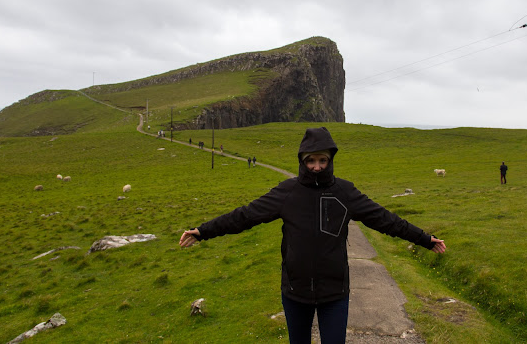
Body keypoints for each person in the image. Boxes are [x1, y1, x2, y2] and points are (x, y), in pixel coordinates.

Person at [179, 127, 446, 344]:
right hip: (295, 292)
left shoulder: (345, 192)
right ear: (302, 161)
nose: (316, 166)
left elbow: (385, 219)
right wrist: (203, 231)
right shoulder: (287, 192)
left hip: (335, 293)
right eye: (310, 160)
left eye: (322, 160)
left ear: (330, 160)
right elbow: (245, 215)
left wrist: (423, 238)